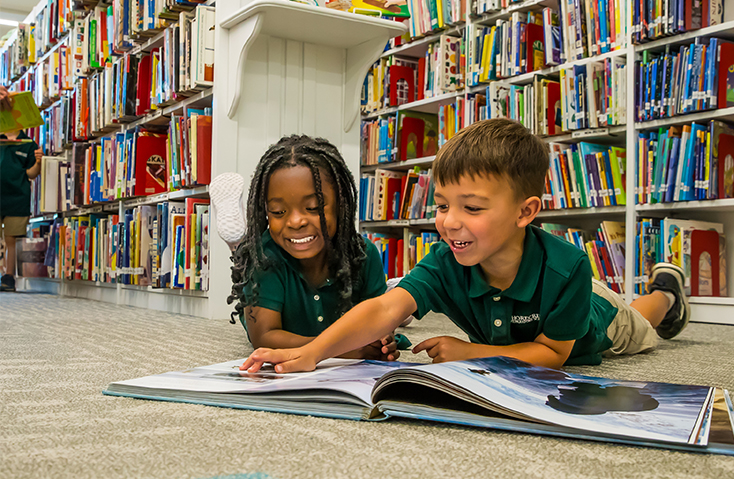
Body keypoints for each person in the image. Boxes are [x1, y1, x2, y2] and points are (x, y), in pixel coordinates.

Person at [240, 118, 690, 374]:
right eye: (441, 205)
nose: (449, 221)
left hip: (595, 321)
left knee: (640, 321)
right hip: (530, 319)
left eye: (471, 208)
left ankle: (666, 293)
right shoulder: (445, 261)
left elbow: (553, 355)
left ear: (525, 212)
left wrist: (472, 350)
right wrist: (313, 353)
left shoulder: (568, 266)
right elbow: (382, 310)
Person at [219, 134, 403, 360]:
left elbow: (378, 327)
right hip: (264, 295)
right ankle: (239, 247)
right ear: (265, 212)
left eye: (314, 207)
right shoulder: (264, 259)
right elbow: (264, 337)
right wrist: (343, 348)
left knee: (400, 313)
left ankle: (399, 292)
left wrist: (383, 341)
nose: (296, 221)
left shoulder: (364, 254)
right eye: (278, 212)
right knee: (248, 260)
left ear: (341, 204)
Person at [0, 85, 43, 292]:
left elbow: (31, 174)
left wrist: (38, 162)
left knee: (11, 239)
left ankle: (8, 277)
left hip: (17, 198)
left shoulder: (28, 143)